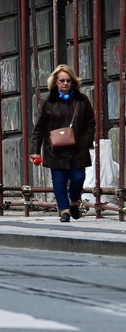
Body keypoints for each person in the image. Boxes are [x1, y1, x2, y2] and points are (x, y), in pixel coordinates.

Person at [30, 64, 96, 222]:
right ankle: (64, 210)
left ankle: (74, 201)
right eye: (61, 81)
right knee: (58, 180)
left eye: (68, 80)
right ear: (56, 82)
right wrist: (35, 150)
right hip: (55, 149)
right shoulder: (49, 101)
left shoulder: (82, 100)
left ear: (73, 82)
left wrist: (85, 141)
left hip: (78, 149)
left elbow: (90, 123)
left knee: (78, 177)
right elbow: (39, 127)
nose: (65, 83)